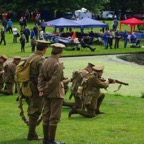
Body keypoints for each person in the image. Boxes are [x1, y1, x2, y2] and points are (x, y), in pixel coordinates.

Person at [38, 43, 65, 144]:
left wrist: (41, 89)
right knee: (54, 117)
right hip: (56, 93)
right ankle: (51, 140)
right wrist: (45, 90)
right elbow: (54, 81)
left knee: (46, 115)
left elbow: (40, 77)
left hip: (46, 92)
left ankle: (46, 139)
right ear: (60, 52)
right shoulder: (58, 64)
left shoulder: (45, 61)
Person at [26, 40, 49, 141]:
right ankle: (31, 135)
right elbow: (42, 76)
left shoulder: (31, 56)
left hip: (28, 87)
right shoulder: (40, 60)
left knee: (32, 110)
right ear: (45, 49)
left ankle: (32, 133)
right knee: (35, 111)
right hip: (36, 88)